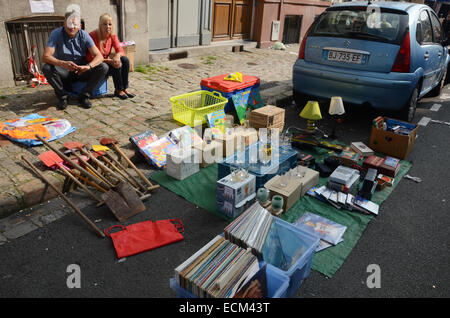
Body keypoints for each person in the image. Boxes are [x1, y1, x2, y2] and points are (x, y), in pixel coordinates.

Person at [42, 10, 108, 110]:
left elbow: (99, 56)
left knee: (103, 67)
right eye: (69, 23)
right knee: (46, 68)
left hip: (81, 70)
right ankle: (63, 97)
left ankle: (84, 96)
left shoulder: (84, 35)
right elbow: (45, 57)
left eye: (75, 24)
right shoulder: (56, 33)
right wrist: (62, 63)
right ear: (64, 23)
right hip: (63, 70)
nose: (72, 27)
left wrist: (88, 66)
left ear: (80, 26)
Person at [87, 13, 135, 100]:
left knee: (124, 60)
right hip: (95, 65)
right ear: (100, 25)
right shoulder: (92, 35)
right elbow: (89, 57)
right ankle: (118, 90)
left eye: (110, 24)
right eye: (104, 24)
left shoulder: (112, 35)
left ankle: (124, 88)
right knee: (115, 64)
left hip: (105, 62)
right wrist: (110, 61)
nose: (108, 26)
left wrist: (117, 56)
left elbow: (120, 50)